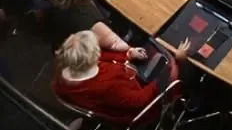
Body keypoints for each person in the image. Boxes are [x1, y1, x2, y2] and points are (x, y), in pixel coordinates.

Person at [53, 29, 188, 123]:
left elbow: (103, 58)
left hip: (113, 97)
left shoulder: (67, 70)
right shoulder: (107, 85)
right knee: (182, 73)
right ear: (92, 57)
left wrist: (128, 54)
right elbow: (140, 100)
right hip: (137, 109)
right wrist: (175, 62)